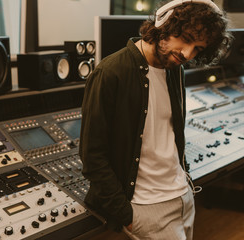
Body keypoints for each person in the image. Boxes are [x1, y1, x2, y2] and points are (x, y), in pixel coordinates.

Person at [79, 0, 232, 239]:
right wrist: (125, 215)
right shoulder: (110, 72)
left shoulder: (175, 70)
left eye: (198, 49)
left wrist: (185, 182)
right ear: (165, 23)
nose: (187, 53)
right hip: (146, 208)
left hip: (183, 196)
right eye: (187, 39)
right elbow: (92, 155)